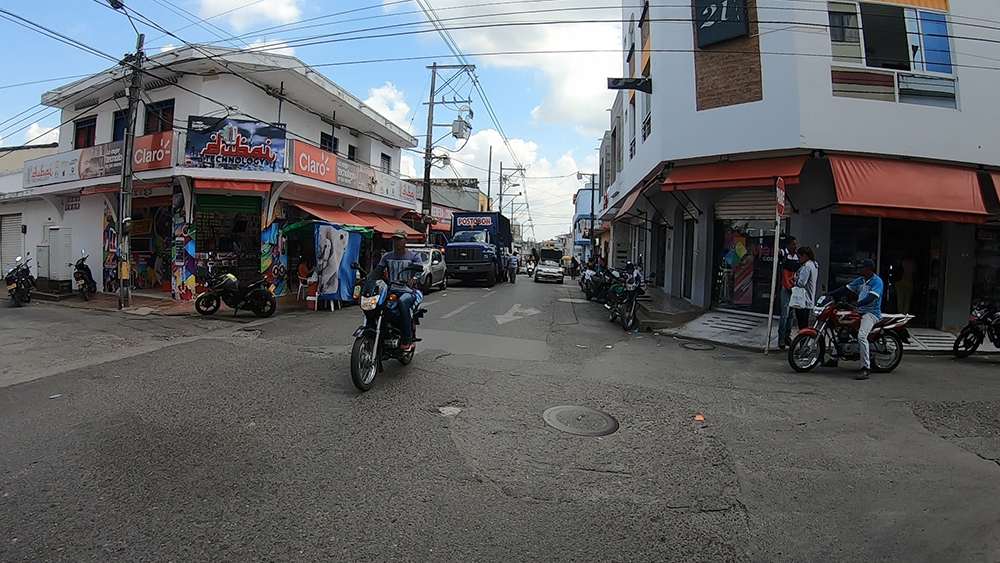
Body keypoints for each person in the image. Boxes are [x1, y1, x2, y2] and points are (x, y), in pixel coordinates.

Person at [826, 258, 883, 380]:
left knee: (862, 336)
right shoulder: (861, 280)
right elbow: (846, 288)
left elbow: (872, 298)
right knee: (841, 329)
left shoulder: (877, 282)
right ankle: (834, 358)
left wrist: (858, 304)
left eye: (862, 267)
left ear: (869, 269)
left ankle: (865, 368)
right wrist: (830, 294)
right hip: (859, 311)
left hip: (871, 313)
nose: (860, 269)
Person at [377, 229, 424, 351]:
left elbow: (420, 271)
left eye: (399, 239)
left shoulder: (414, 257)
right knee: (377, 305)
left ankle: (407, 338)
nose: (396, 242)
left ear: (405, 241)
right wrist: (367, 279)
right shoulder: (387, 257)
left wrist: (414, 278)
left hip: (409, 291)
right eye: (395, 239)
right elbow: (377, 271)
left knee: (403, 303)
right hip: (391, 290)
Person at [777, 236, 800, 350]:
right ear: (788, 245)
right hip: (786, 287)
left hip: (794, 288)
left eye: (796, 244)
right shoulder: (784, 254)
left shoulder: (798, 256)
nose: (795, 246)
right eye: (793, 244)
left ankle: (787, 335)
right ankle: (781, 337)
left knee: (792, 314)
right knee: (784, 313)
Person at [791, 246, 819, 331]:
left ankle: (803, 342)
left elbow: (801, 283)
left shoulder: (807, 266)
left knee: (802, 324)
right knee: (804, 323)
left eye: (799, 257)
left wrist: (794, 282)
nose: (798, 259)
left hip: (803, 298)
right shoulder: (814, 264)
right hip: (808, 298)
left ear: (804, 256)